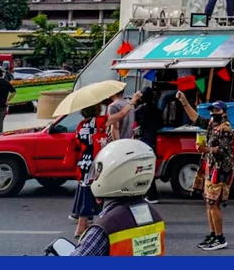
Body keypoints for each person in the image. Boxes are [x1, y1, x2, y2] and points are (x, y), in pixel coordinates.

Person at [71, 139, 165, 256]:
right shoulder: (154, 217)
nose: (95, 176)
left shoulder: (105, 228)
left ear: (113, 174)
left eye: (99, 170)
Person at [174, 94, 234, 251]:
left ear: (224, 112)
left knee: (214, 203)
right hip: (211, 167)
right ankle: (213, 234)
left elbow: (222, 151)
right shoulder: (211, 125)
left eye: (216, 110)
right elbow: (195, 118)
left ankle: (220, 237)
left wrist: (205, 149)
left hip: (220, 169)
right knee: (208, 203)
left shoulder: (225, 129)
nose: (213, 112)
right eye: (212, 110)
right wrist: (185, 102)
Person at [72, 103, 108, 238]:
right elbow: (119, 116)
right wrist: (132, 103)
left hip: (83, 162)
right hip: (93, 162)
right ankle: (81, 228)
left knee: (84, 192)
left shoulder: (81, 125)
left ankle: (84, 226)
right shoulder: (97, 122)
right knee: (91, 193)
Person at [134, 87, 164, 204]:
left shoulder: (139, 110)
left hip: (143, 141)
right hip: (153, 141)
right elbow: (160, 124)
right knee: (149, 168)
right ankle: (151, 194)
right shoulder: (156, 110)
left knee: (143, 168)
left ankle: (151, 195)